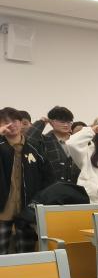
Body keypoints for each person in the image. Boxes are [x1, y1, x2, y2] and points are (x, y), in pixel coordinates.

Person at [0, 107, 54, 254]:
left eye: (15, 121)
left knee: (27, 253)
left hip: (27, 209)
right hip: (3, 209)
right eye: (5, 122)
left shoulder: (34, 147)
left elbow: (48, 177)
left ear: (21, 122)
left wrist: (39, 201)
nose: (11, 125)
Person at [26, 106, 79, 185]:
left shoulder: (77, 140)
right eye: (62, 122)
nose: (66, 125)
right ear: (51, 122)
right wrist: (42, 122)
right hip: (51, 187)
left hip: (76, 186)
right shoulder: (44, 140)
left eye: (69, 122)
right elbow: (29, 139)